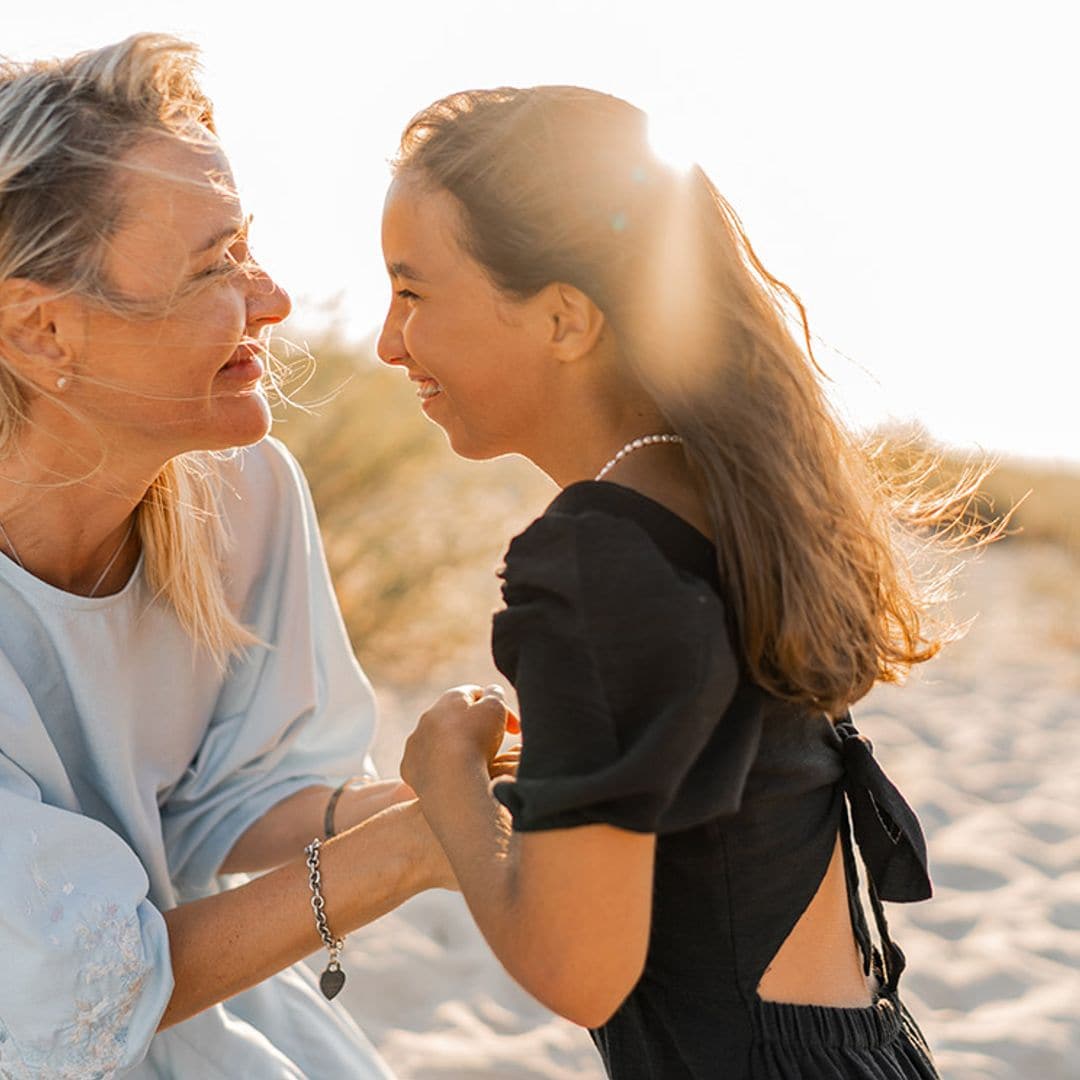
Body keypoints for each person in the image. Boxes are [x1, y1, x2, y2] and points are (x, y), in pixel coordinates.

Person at [377, 86, 968, 1078]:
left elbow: (577, 970)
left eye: (413, 294)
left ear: (565, 317)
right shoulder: (718, 491)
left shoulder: (596, 558)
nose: (391, 344)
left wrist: (446, 780)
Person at [0, 34, 456, 1078]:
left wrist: (474, 795)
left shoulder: (244, 491)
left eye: (247, 245)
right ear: (44, 331)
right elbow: (73, 994)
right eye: (216, 264)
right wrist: (419, 850)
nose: (272, 299)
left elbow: (232, 806)